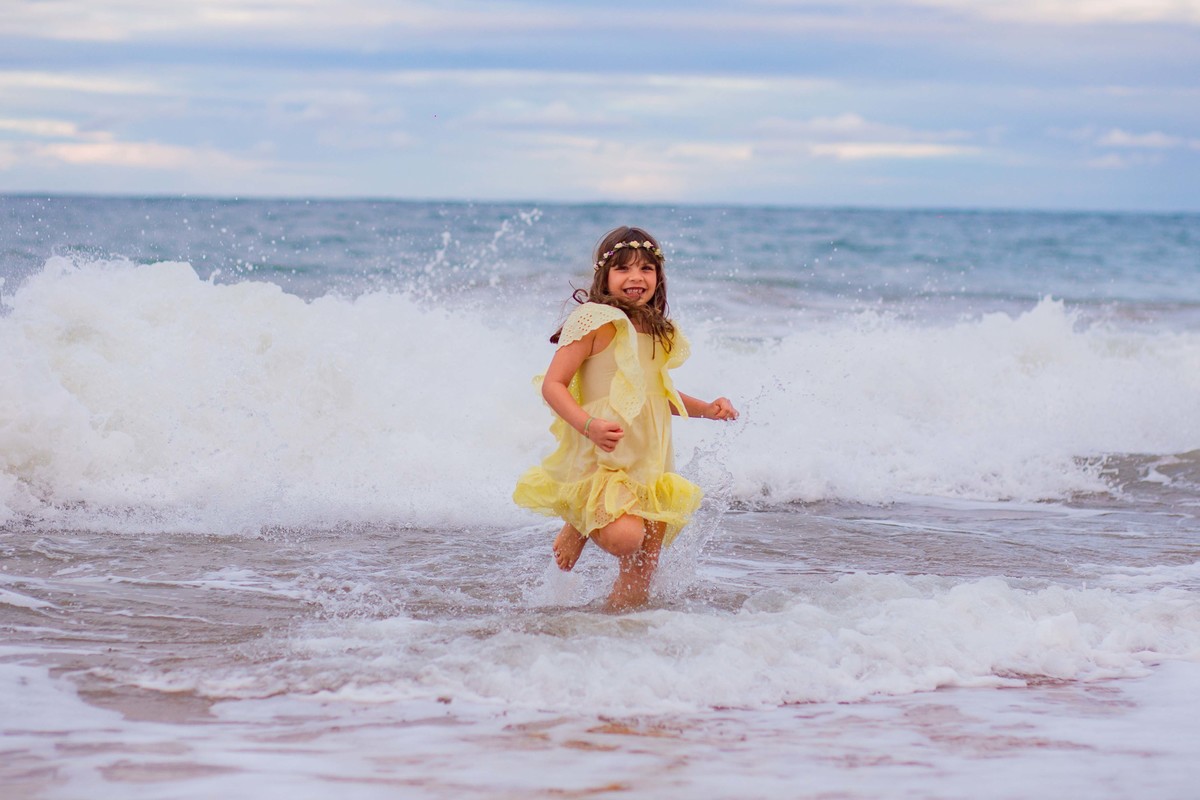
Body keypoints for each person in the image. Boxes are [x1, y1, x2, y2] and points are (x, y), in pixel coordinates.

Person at [513, 226, 738, 610]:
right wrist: (589, 425)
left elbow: (656, 394)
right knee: (625, 539)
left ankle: (621, 630)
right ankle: (579, 523)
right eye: (623, 269)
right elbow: (554, 385)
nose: (636, 277)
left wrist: (706, 410)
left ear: (659, 277)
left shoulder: (658, 329)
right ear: (604, 276)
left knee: (643, 567)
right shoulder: (595, 321)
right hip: (602, 456)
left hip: (649, 461)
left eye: (647, 269)